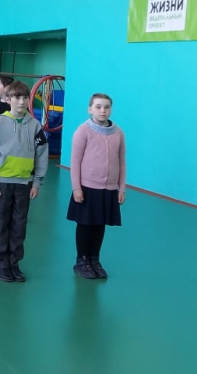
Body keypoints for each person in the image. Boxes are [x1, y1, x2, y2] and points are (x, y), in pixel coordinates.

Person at [0, 80, 49, 283]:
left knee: (19, 225)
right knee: (0, 224)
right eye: (17, 97)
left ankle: (14, 263)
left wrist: (36, 182)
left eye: (25, 98)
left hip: (24, 184)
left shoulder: (35, 125)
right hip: (2, 184)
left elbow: (42, 154)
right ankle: (1, 263)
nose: (21, 101)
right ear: (8, 99)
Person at [67, 93, 126, 279]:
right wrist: (76, 187)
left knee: (100, 224)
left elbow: (122, 162)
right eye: (98, 107)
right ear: (90, 109)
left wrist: (121, 188)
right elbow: (75, 161)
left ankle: (94, 259)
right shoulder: (83, 131)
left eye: (107, 107)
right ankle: (82, 260)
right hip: (87, 188)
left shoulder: (118, 133)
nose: (103, 110)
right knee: (86, 224)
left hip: (108, 189)